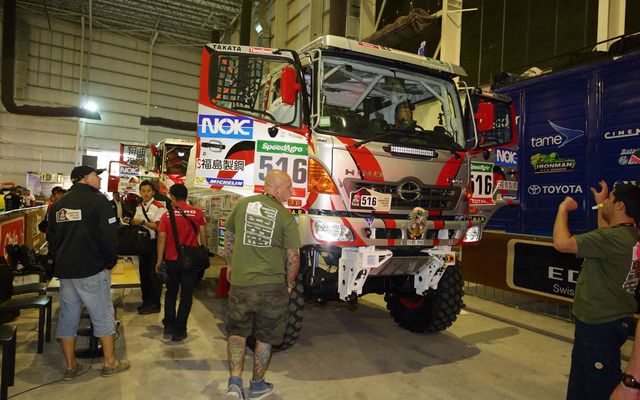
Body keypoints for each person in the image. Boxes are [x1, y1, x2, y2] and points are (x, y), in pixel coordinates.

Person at [553, 181, 640, 400]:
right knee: (582, 382)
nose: (607, 202)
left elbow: (562, 243)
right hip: (607, 321)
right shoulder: (628, 236)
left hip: (599, 323)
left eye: (611, 199)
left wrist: (563, 208)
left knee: (601, 386)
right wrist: (601, 205)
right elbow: (606, 231)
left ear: (620, 206)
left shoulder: (613, 238)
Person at [47, 165, 130, 380]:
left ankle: (70, 365)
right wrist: (109, 262)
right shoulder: (99, 201)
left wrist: (62, 259)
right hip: (92, 269)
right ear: (85, 178)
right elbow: (110, 237)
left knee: (67, 317)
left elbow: (52, 240)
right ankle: (110, 362)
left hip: (66, 272)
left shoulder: (58, 205)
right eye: (96, 175)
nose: (100, 180)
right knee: (102, 314)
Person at [224, 169, 301, 400]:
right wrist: (289, 284)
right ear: (277, 189)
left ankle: (234, 385)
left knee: (237, 334)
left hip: (240, 285)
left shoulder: (243, 204)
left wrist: (230, 265)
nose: (292, 190)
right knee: (265, 338)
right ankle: (257, 386)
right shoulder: (286, 216)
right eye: (289, 187)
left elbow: (230, 237)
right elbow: (293, 256)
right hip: (272, 287)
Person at [155, 184, 207, 341]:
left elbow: (162, 238)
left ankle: (169, 326)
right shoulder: (198, 212)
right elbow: (203, 236)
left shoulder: (167, 215)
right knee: (186, 294)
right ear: (186, 196)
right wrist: (204, 253)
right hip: (190, 262)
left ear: (172, 196)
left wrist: (159, 261)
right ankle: (180, 330)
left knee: (171, 293)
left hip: (172, 260)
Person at [124, 181, 166, 315]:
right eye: (143, 191)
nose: (146, 193)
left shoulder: (159, 207)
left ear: (153, 192)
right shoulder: (139, 206)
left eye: (148, 191)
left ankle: (155, 304)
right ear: (140, 192)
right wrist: (130, 221)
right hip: (141, 245)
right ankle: (146, 302)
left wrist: (143, 222)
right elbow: (137, 223)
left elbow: (160, 227)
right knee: (143, 275)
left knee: (154, 275)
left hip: (154, 245)